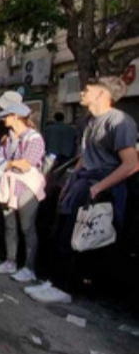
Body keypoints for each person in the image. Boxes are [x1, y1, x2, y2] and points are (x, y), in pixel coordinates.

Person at [26, 76, 138, 304]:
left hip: (102, 187)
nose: (83, 92)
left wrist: (98, 187)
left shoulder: (120, 122)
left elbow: (131, 164)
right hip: (82, 182)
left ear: (102, 94)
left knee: (79, 238)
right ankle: (55, 281)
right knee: (63, 232)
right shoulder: (88, 120)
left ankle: (65, 287)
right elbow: (84, 156)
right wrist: (70, 181)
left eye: (89, 89)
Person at [0, 102, 46, 283]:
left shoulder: (34, 138)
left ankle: (29, 268)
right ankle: (11, 261)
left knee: (27, 227)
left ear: (15, 117)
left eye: (6, 116)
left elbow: (26, 164)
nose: (4, 119)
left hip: (27, 187)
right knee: (10, 226)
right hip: (9, 186)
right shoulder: (10, 138)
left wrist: (5, 164)